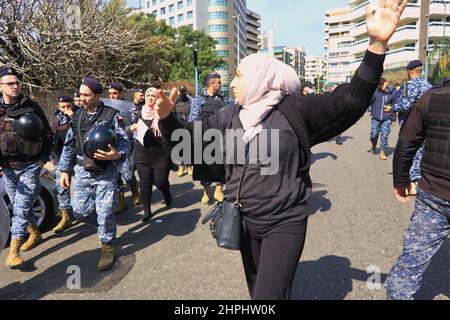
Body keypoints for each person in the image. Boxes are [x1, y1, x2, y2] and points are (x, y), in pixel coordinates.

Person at [155, 0, 408, 300]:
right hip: (242, 220)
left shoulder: (295, 110)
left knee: (267, 296)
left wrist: (376, 46)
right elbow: (190, 146)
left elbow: (348, 102)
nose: (231, 83)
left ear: (262, 78)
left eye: (238, 75)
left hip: (284, 222)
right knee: (258, 291)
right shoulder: (228, 115)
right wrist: (167, 117)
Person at [385, 78, 450, 300]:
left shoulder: (431, 97)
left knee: (409, 266)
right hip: (433, 195)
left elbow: (406, 141)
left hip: (433, 197)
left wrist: (401, 180)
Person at [58, 77, 130, 271]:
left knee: (105, 212)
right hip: (82, 169)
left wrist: (118, 154)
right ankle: (104, 223)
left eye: (86, 95)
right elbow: (69, 146)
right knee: (80, 210)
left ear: (98, 95)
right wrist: (64, 170)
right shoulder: (76, 117)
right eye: (80, 94)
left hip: (105, 170)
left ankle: (107, 245)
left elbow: (124, 143)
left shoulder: (111, 115)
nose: (81, 98)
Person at [0, 67, 53, 269]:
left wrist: (41, 161)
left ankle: (14, 251)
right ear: (1, 86)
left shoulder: (31, 106)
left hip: (30, 165)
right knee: (17, 203)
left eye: (17, 83)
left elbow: (48, 134)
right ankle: (35, 233)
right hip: (7, 168)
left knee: (21, 206)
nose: (15, 86)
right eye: (10, 83)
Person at [130, 87, 173, 223]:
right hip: (142, 152)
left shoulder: (163, 113)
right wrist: (131, 127)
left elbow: (172, 131)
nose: (149, 97)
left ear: (157, 98)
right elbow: (127, 126)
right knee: (145, 182)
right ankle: (147, 210)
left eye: (153, 95)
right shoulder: (138, 112)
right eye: (147, 95)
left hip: (160, 153)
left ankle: (165, 190)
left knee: (160, 181)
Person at [393, 60, 432, 195]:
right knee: (420, 152)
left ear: (410, 71)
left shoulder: (412, 85)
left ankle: (413, 184)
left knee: (410, 153)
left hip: (412, 125)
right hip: (426, 124)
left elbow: (406, 105)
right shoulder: (428, 85)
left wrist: (392, 108)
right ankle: (418, 181)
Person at [189, 74, 226, 204]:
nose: (221, 85)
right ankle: (206, 192)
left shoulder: (222, 99)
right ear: (212, 83)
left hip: (219, 136)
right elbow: (192, 120)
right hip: (203, 137)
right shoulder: (199, 99)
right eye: (219, 82)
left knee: (221, 164)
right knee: (204, 165)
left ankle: (219, 190)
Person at [108, 82, 140, 213]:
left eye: (115, 93)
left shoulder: (130, 107)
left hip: (126, 145)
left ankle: (134, 191)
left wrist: (127, 129)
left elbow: (135, 125)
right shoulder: (105, 107)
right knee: (116, 175)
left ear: (121, 93)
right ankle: (121, 201)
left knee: (127, 172)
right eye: (110, 93)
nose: (112, 96)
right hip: (112, 146)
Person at [51, 95, 76, 234]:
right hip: (62, 158)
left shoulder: (79, 115)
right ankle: (66, 216)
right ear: (58, 107)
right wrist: (53, 157)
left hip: (79, 157)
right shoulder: (56, 120)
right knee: (61, 188)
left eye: (68, 106)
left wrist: (73, 116)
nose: (66, 109)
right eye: (63, 107)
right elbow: (52, 139)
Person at [369, 78, 395, 160]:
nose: (381, 86)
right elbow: (369, 102)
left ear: (386, 83)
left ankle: (382, 152)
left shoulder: (392, 94)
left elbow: (395, 106)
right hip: (375, 118)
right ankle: (374, 144)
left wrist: (393, 119)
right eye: (379, 85)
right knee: (374, 135)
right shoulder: (375, 93)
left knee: (385, 135)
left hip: (386, 118)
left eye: (382, 84)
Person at [174, 86, 192, 177]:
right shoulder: (175, 103)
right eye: (181, 91)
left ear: (186, 92)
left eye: (183, 91)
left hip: (188, 127)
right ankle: (181, 166)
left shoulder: (190, 102)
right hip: (177, 128)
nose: (182, 93)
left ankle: (189, 166)